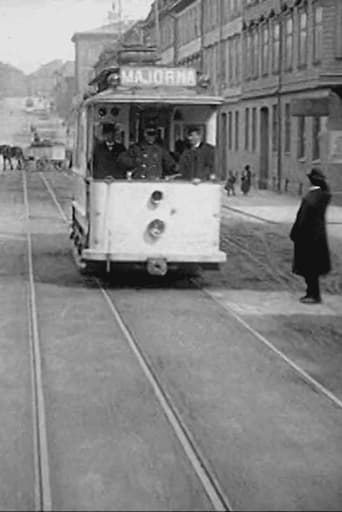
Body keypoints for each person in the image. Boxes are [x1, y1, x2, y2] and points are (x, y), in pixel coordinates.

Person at [290, 168, 331, 304]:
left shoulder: (312, 197)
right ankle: (311, 292)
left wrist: (295, 232)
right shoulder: (322, 195)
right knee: (312, 267)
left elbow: (303, 218)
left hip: (308, 236)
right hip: (317, 236)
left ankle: (314, 294)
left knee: (309, 267)